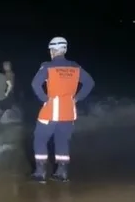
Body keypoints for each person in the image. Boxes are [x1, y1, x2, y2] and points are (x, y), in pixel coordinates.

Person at [30, 36, 94, 183]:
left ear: (52, 51)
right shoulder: (75, 67)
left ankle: (40, 173)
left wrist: (45, 99)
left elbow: (35, 84)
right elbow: (90, 83)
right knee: (62, 140)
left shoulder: (47, 66)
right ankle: (62, 173)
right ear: (64, 50)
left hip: (51, 110)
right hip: (69, 111)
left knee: (40, 138)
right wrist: (77, 98)